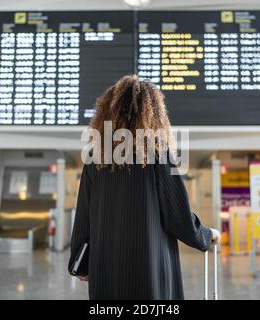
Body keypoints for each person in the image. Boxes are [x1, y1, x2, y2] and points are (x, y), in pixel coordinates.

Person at [68, 75, 221, 300]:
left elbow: (84, 216)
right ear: (155, 114)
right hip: (150, 269)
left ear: (108, 113)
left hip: (106, 270)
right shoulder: (158, 156)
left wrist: (79, 263)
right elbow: (177, 218)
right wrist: (207, 235)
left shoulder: (95, 158)